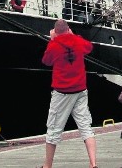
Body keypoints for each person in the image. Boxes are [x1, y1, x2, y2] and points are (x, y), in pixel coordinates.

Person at [40, 19, 97, 168]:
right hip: (80, 90)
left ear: (55, 31)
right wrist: (73, 36)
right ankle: (93, 163)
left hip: (62, 92)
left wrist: (53, 39)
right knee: (85, 127)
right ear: (68, 29)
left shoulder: (54, 44)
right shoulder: (77, 40)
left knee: (53, 129)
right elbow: (89, 47)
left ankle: (47, 165)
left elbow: (46, 61)